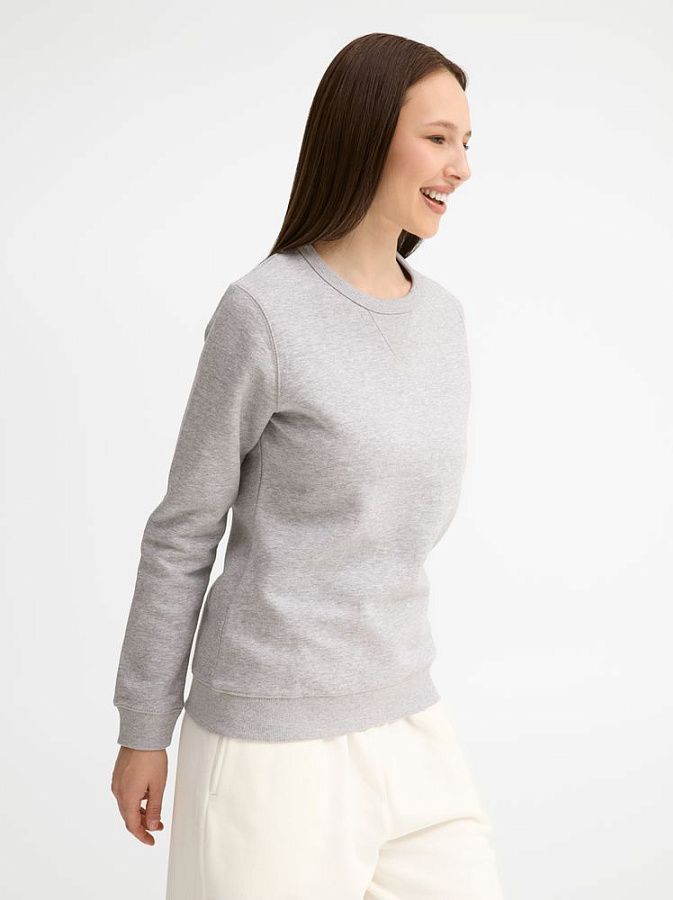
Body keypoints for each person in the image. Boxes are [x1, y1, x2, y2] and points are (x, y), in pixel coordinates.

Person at [110, 31, 505, 900]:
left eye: (466, 142)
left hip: (408, 714)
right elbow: (184, 531)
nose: (461, 166)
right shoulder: (263, 312)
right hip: (269, 741)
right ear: (364, 135)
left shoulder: (441, 320)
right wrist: (145, 727)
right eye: (438, 138)